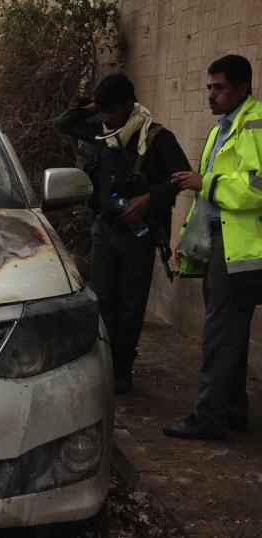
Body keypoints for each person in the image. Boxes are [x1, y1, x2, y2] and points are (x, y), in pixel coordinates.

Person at [54, 73, 191, 394]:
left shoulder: (156, 137)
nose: (105, 118)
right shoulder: (102, 131)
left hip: (138, 235)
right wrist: (94, 106)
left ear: (130, 105)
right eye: (101, 111)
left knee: (130, 306)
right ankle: (102, 364)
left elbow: (182, 177)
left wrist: (149, 198)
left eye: (111, 111)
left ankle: (122, 369)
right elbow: (64, 121)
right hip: (105, 230)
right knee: (102, 300)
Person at [164, 55, 262, 440]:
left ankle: (209, 418)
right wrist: (190, 241)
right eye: (209, 87)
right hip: (221, 242)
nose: (211, 94)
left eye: (219, 87)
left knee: (218, 336)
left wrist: (206, 183)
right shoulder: (225, 127)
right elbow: (204, 194)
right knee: (230, 336)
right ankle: (233, 411)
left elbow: (255, 187)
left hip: (238, 248)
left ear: (242, 88)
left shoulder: (253, 124)